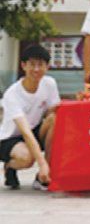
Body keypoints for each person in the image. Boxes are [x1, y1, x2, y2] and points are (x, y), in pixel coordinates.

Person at [1, 45, 59, 190]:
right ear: (23, 66)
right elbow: (25, 132)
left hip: (35, 129)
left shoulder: (49, 83)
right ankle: (10, 166)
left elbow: (52, 112)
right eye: (32, 64)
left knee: (54, 119)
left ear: (47, 67)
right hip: (11, 138)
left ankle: (42, 177)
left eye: (41, 65)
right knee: (27, 158)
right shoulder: (12, 94)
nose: (36, 69)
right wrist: (41, 163)